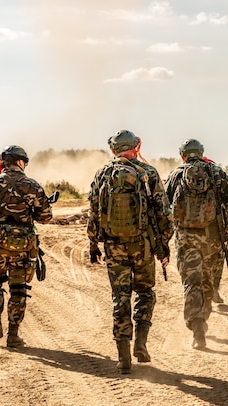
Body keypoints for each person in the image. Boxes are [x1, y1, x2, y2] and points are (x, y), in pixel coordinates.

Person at [87, 129, 173, 374]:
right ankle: (141, 344)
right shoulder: (149, 173)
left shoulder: (102, 173)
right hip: (143, 245)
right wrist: (163, 245)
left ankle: (123, 357)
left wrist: (93, 244)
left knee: (120, 297)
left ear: (113, 149)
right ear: (136, 147)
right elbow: (165, 214)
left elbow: (93, 212)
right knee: (145, 292)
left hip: (113, 246)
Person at [0, 145, 53, 348]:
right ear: (21, 162)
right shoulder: (33, 186)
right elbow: (46, 217)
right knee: (19, 288)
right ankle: (13, 335)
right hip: (22, 247)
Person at [164, 139, 228, 349]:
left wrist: (165, 237)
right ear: (201, 153)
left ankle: (197, 329)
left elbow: (163, 208)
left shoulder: (176, 175)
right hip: (213, 240)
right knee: (208, 283)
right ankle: (202, 321)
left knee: (192, 283)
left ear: (182, 155)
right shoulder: (216, 173)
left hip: (186, 240)